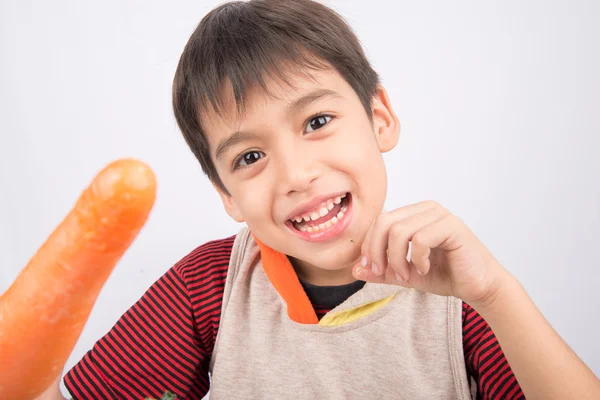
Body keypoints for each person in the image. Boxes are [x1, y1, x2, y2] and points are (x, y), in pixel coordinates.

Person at [39, 0, 599, 399]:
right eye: (249, 158)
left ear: (379, 119)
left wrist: (496, 293)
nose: (297, 174)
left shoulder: (461, 294)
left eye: (317, 121)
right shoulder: (209, 285)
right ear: (226, 195)